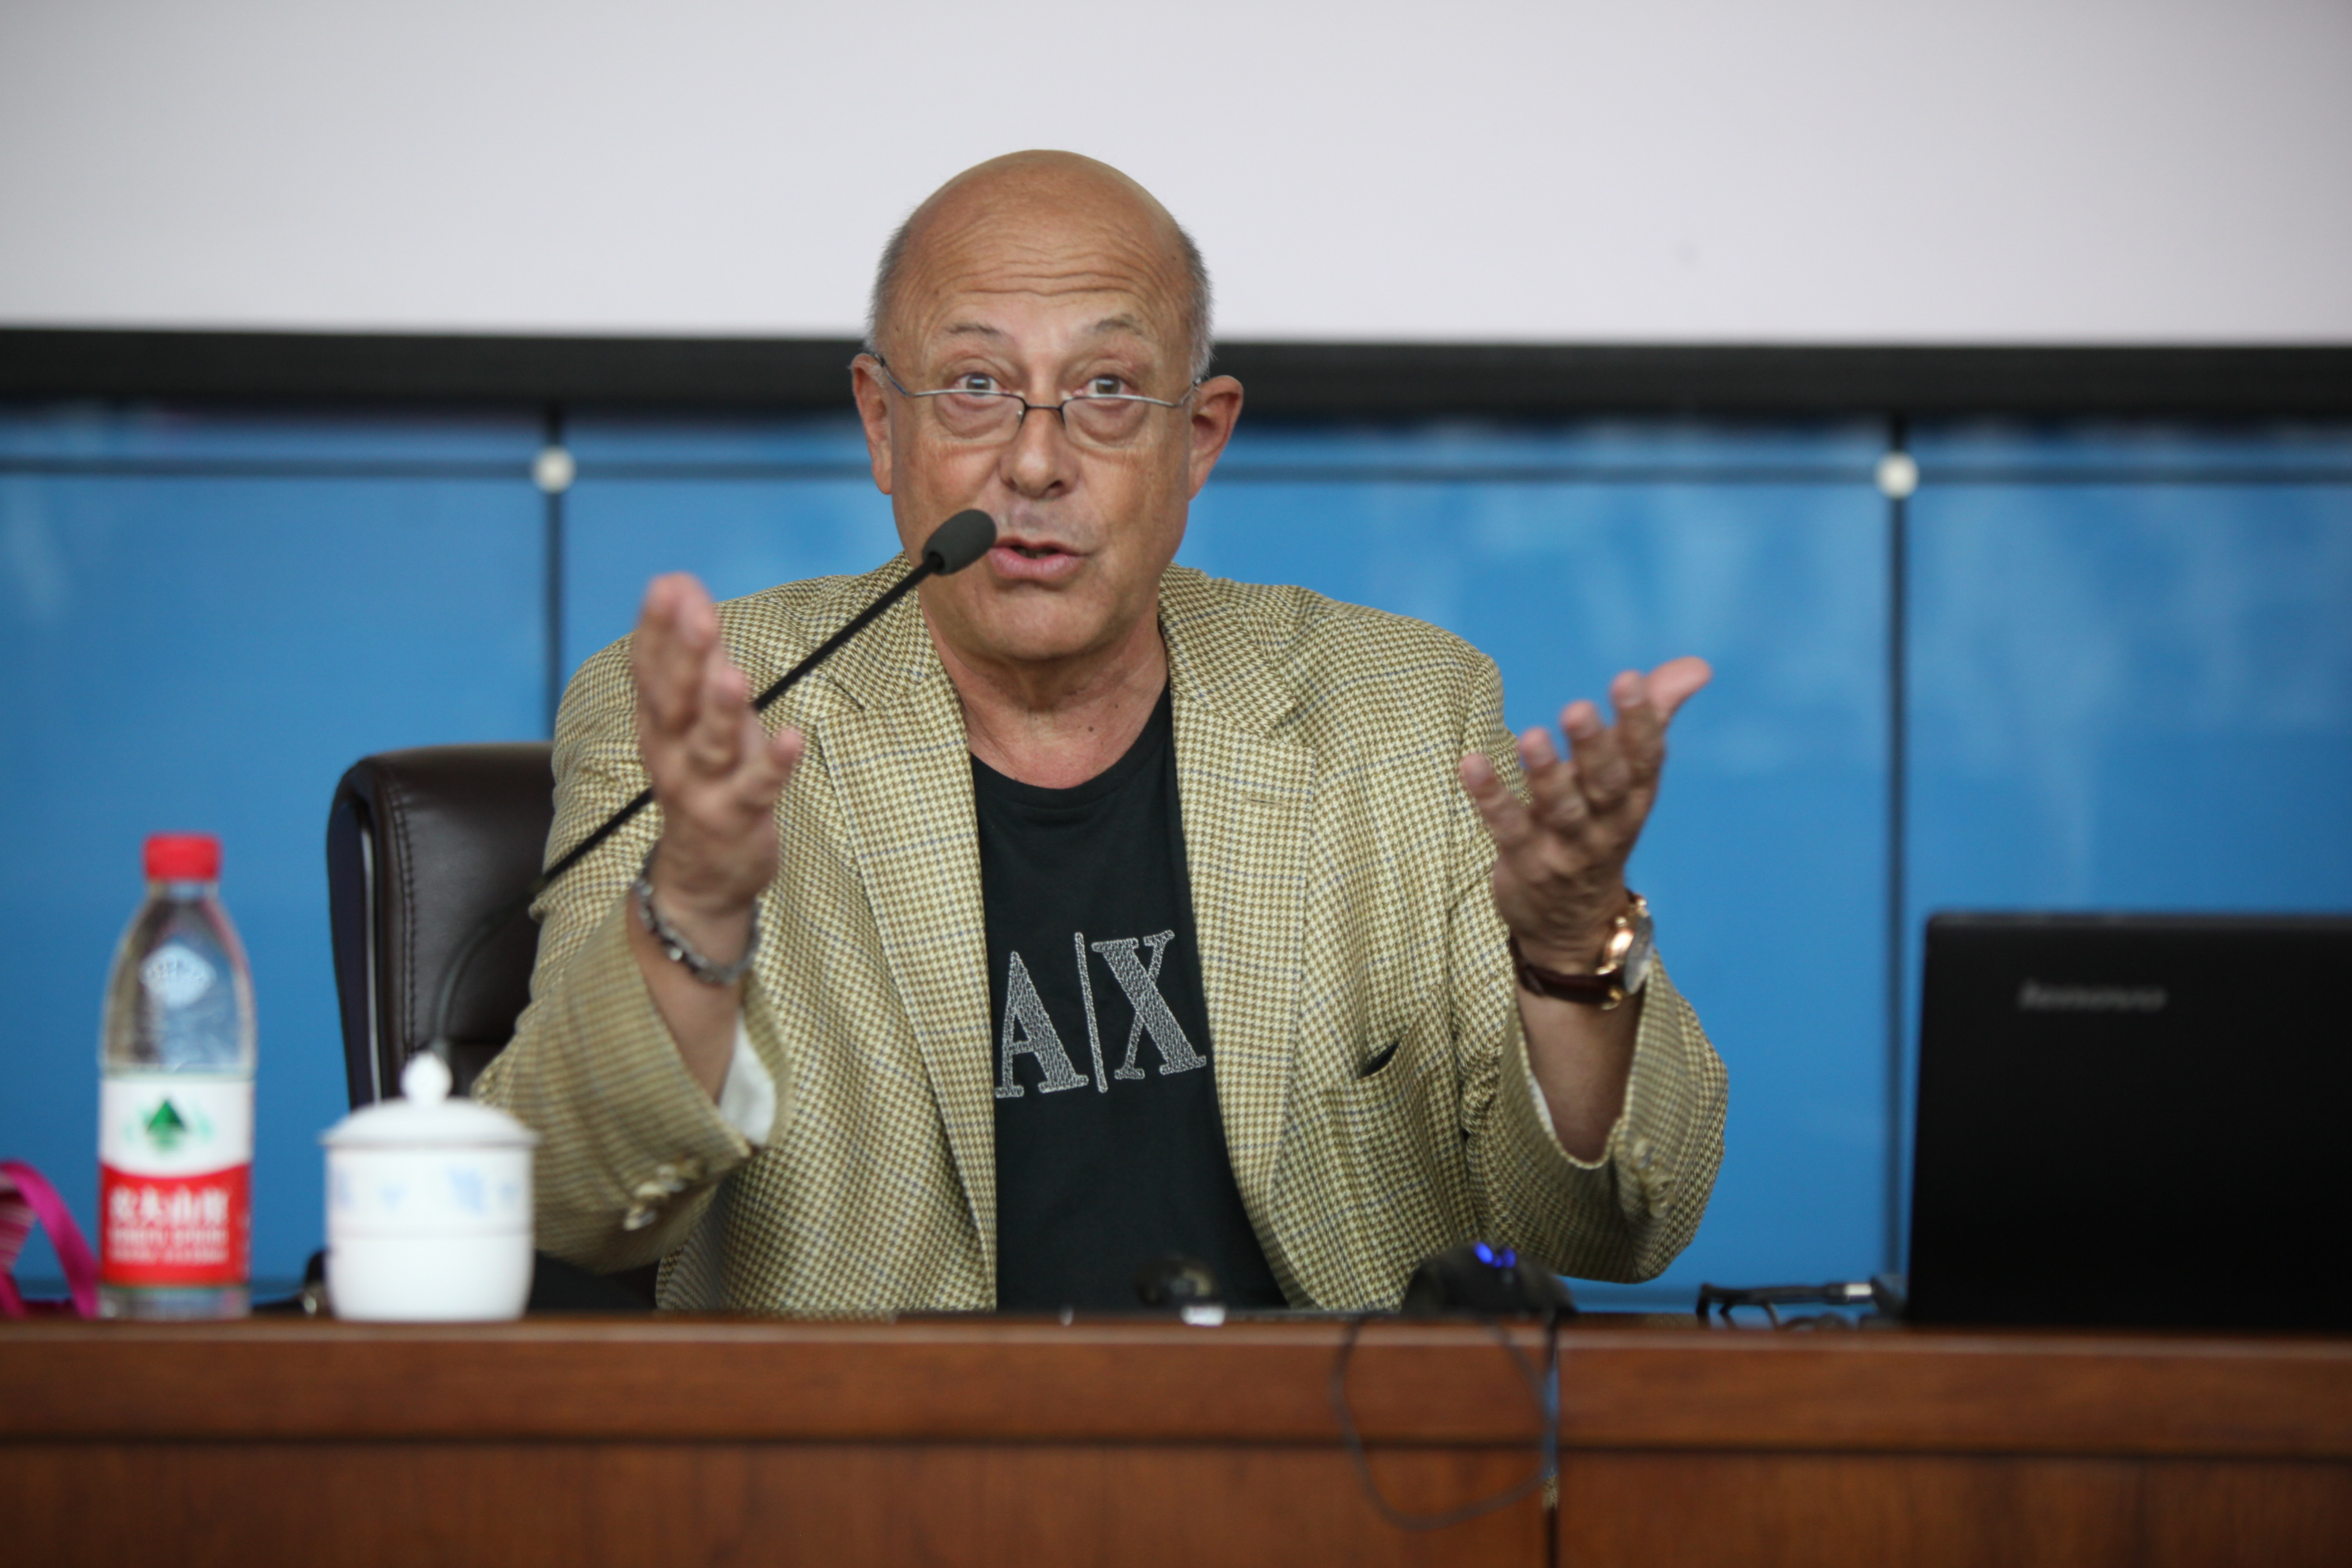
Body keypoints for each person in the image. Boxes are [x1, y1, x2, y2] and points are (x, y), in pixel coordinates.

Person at [475, 150, 1727, 1313]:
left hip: (1330, 1451)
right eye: (975, 387)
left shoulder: (1399, 710)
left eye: (1108, 392)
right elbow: (569, 1200)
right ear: (882, 424)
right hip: (888, 1458)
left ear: (1199, 438)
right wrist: (697, 906)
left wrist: (1571, 955)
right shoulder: (714, 715)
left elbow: (1620, 1224)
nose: (1035, 463)